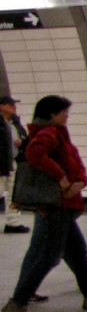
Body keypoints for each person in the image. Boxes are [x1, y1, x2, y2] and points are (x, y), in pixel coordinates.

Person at [2, 95, 87, 312]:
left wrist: (81, 181)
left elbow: (73, 161)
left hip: (64, 204)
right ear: (52, 114)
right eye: (63, 111)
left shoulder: (57, 133)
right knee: (48, 255)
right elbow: (35, 154)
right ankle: (18, 302)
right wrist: (62, 179)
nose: (67, 115)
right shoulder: (48, 133)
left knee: (77, 251)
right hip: (56, 205)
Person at [0, 95, 30, 234]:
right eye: (10, 104)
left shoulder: (15, 123)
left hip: (13, 162)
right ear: (2, 106)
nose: (14, 107)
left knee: (14, 194)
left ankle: (13, 223)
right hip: (0, 163)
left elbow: (26, 137)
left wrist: (22, 141)